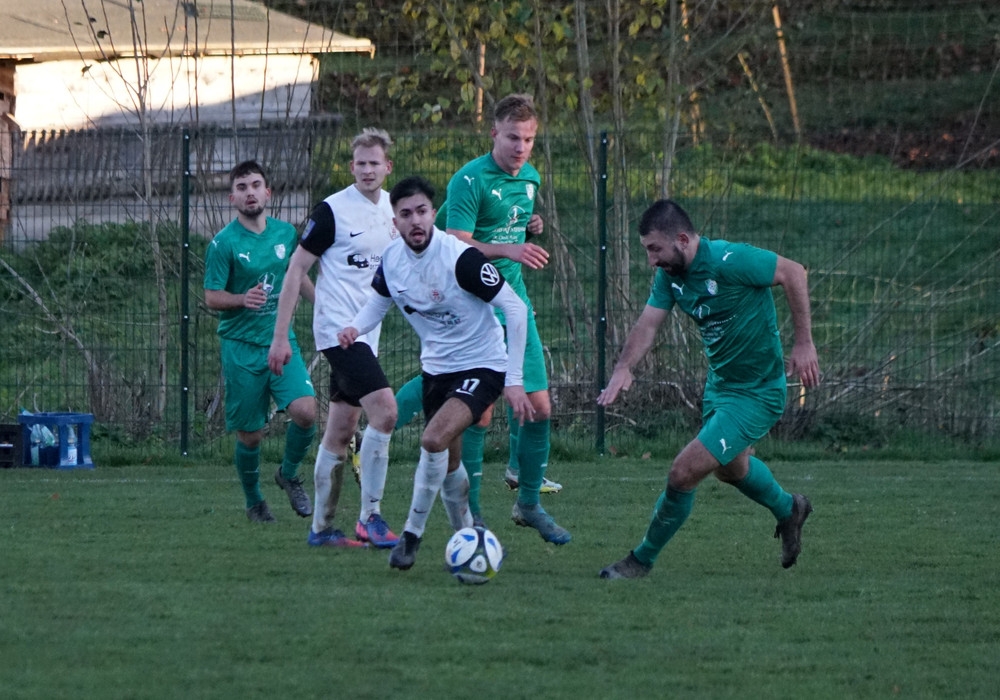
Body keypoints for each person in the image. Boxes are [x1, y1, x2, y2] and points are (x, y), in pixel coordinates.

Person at [596, 199, 820, 578]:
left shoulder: (730, 260)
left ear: (683, 240)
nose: (651, 260)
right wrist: (623, 367)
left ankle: (640, 560)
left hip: (758, 392)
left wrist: (804, 343)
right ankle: (790, 508)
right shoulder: (670, 276)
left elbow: (793, 272)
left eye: (655, 249)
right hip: (720, 387)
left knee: (683, 472)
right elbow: (648, 324)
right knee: (731, 469)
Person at [338, 175, 534, 571]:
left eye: (422, 211)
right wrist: (355, 328)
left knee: (432, 439)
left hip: (483, 365)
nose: (415, 221)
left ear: (433, 214)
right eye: (406, 214)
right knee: (449, 465)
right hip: (437, 371)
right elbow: (378, 303)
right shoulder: (392, 261)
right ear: (394, 221)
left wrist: (514, 381)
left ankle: (411, 535)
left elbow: (515, 308)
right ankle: (470, 536)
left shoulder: (460, 258)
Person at [438, 93, 570, 544]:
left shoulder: (530, 176)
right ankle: (473, 514)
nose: (521, 147)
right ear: (493, 133)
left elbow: (509, 218)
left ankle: (528, 504)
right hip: (473, 301)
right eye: (513, 137)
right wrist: (509, 249)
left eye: (529, 139)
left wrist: (530, 225)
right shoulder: (468, 179)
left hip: (515, 301)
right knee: (480, 413)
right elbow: (456, 241)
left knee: (540, 407)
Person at [268, 128, 399, 549]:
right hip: (338, 332)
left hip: (367, 332)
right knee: (386, 411)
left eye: (374, 163)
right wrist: (280, 337)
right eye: (360, 163)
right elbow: (295, 269)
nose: (367, 170)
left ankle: (322, 529)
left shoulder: (394, 209)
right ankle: (370, 517)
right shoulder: (332, 211)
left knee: (342, 429)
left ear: (387, 167)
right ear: (351, 167)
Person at [204, 160, 317, 523]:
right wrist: (241, 299)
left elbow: (296, 276)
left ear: (268, 192)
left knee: (306, 412)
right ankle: (254, 501)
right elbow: (211, 296)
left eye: (255, 185)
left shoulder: (285, 234)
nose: (249, 193)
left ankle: (288, 473)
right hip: (241, 347)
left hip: (281, 341)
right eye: (242, 187)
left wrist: (323, 307)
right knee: (251, 435)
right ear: (232, 198)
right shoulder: (223, 244)